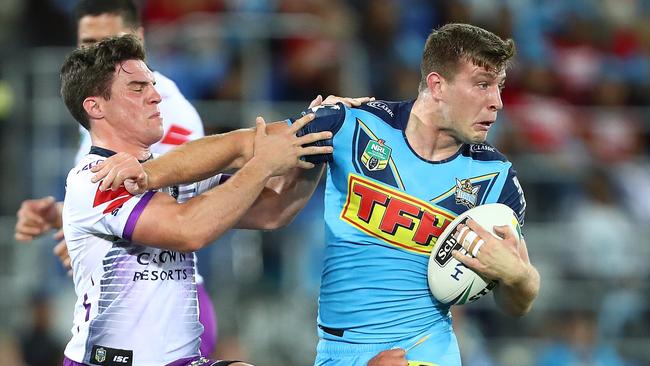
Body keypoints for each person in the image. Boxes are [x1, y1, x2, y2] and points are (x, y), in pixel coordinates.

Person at [92, 23, 541, 365]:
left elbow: (518, 301)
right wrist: (146, 171)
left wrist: (518, 277)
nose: (497, 101)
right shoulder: (351, 125)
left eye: (499, 86)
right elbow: (242, 145)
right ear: (438, 85)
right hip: (333, 351)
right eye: (483, 84)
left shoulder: (495, 179)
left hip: (422, 352)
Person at [58, 34, 335, 366]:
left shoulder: (173, 172)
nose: (156, 97)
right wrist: (263, 164)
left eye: (152, 85)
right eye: (137, 88)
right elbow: (189, 230)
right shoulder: (95, 177)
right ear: (95, 107)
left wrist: (317, 145)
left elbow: (273, 211)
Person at [14, 0, 209, 355]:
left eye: (110, 42)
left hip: (167, 310)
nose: (100, 54)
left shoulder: (166, 110)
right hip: (120, 307)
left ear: (137, 39)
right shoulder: (100, 100)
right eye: (89, 44)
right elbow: (115, 194)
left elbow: (174, 205)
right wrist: (63, 213)